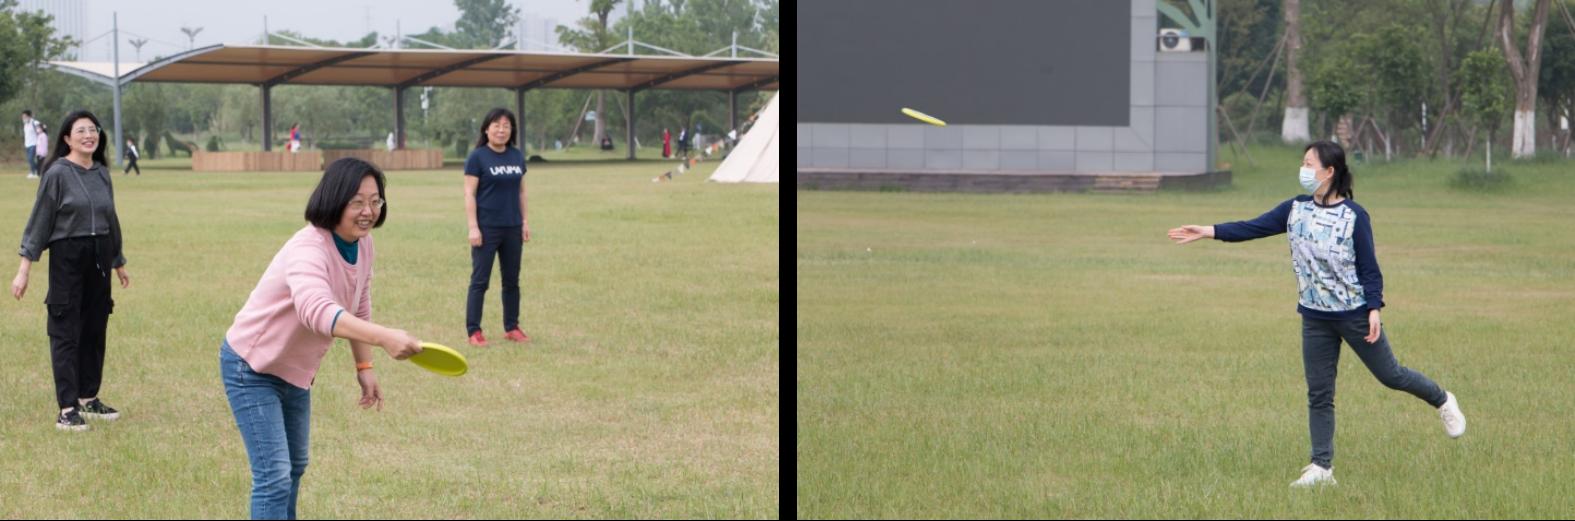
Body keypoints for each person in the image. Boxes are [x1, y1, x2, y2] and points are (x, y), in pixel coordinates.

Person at [1167, 141, 1467, 488]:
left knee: (1391, 375)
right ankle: (1321, 468)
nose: (1304, 169)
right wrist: (1208, 231)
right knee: (1320, 393)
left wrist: (1373, 309)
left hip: (1354, 315)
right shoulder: (1295, 209)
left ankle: (1443, 399)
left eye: (1309, 164)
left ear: (1329, 171)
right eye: (1303, 162)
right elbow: (1252, 227)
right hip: (1314, 317)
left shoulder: (1354, 216)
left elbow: (1369, 269)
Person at [221, 157, 423, 519]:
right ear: (335, 200)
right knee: (274, 476)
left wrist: (364, 366)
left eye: (375, 201)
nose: (368, 211)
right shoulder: (309, 247)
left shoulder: (363, 245)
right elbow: (316, 311)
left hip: (294, 371)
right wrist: (384, 338)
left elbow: (359, 303)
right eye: (357, 202)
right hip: (251, 367)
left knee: (295, 466)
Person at [13, 109, 131, 432]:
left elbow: (110, 218)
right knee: (65, 329)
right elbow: (40, 221)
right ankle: (67, 409)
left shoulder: (101, 173)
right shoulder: (56, 174)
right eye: (81, 130)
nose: (89, 135)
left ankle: (88, 397)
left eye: (93, 130)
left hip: (100, 255)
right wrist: (24, 269)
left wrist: (118, 261)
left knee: (94, 327)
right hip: (68, 256)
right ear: (67, 138)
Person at [462, 108, 531, 347]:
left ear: (512, 130)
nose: (501, 130)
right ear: (486, 129)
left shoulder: (516, 156)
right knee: (480, 281)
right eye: (496, 125)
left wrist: (524, 221)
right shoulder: (477, 157)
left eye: (506, 126)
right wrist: (473, 227)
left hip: (512, 226)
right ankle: (474, 331)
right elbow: (469, 194)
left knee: (512, 280)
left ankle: (512, 327)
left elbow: (521, 192)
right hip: (487, 228)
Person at [22, 110, 41, 179]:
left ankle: (34, 172)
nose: (23, 118)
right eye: (23, 117)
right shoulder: (25, 124)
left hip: (34, 144)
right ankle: (35, 171)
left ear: (29, 116)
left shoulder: (35, 123)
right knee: (29, 159)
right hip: (27, 144)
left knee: (31, 158)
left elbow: (41, 130)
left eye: (25, 117)